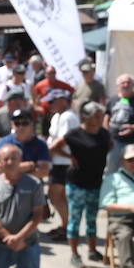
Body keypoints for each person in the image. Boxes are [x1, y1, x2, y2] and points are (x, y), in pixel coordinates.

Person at [51, 102, 112, 268]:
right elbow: (53, 147)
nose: (100, 119)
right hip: (77, 183)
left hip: (96, 183)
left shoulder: (104, 134)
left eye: (101, 115)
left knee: (92, 219)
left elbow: (110, 146)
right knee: (75, 219)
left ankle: (92, 250)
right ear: (86, 117)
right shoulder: (75, 134)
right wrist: (69, 157)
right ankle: (74, 254)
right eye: (97, 116)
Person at [45, 89, 78, 236]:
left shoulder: (68, 117)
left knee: (54, 195)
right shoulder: (57, 116)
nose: (49, 104)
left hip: (63, 162)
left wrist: (50, 150)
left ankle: (67, 227)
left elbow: (63, 140)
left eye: (52, 101)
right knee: (61, 196)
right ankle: (66, 225)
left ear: (63, 101)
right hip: (58, 160)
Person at [104, 74, 134, 173]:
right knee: (111, 168)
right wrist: (107, 135)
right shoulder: (112, 100)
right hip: (115, 142)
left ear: (133, 85)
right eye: (123, 83)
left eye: (128, 83)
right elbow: (106, 117)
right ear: (118, 86)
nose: (126, 85)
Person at [0, 109, 52, 181]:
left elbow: (44, 171)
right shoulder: (3, 142)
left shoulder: (41, 144)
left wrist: (11, 170)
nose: (21, 127)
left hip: (32, 187)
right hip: (6, 186)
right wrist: (30, 166)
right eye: (17, 123)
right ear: (12, 125)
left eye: (25, 123)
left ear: (32, 124)